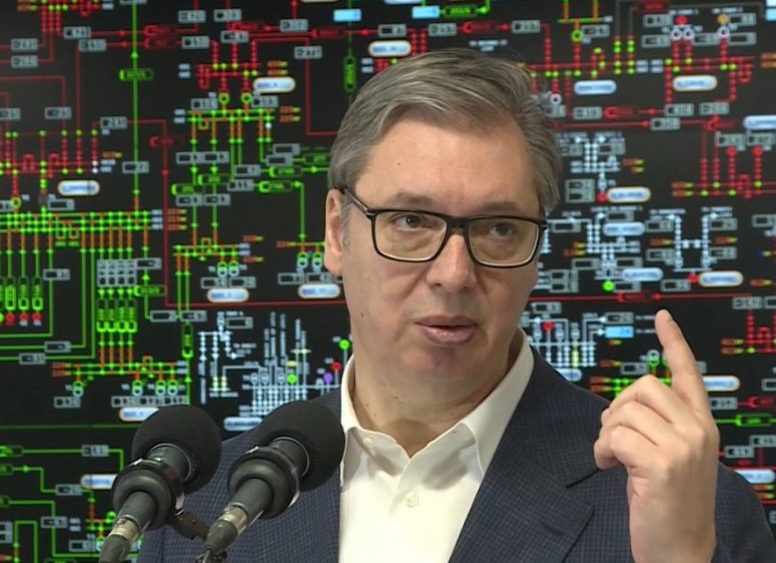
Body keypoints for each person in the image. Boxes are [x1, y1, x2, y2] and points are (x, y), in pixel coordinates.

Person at [138, 49, 776, 562]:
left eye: (498, 228)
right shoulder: (199, 505)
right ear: (336, 232)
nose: (453, 274)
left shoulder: (690, 509)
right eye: (410, 220)